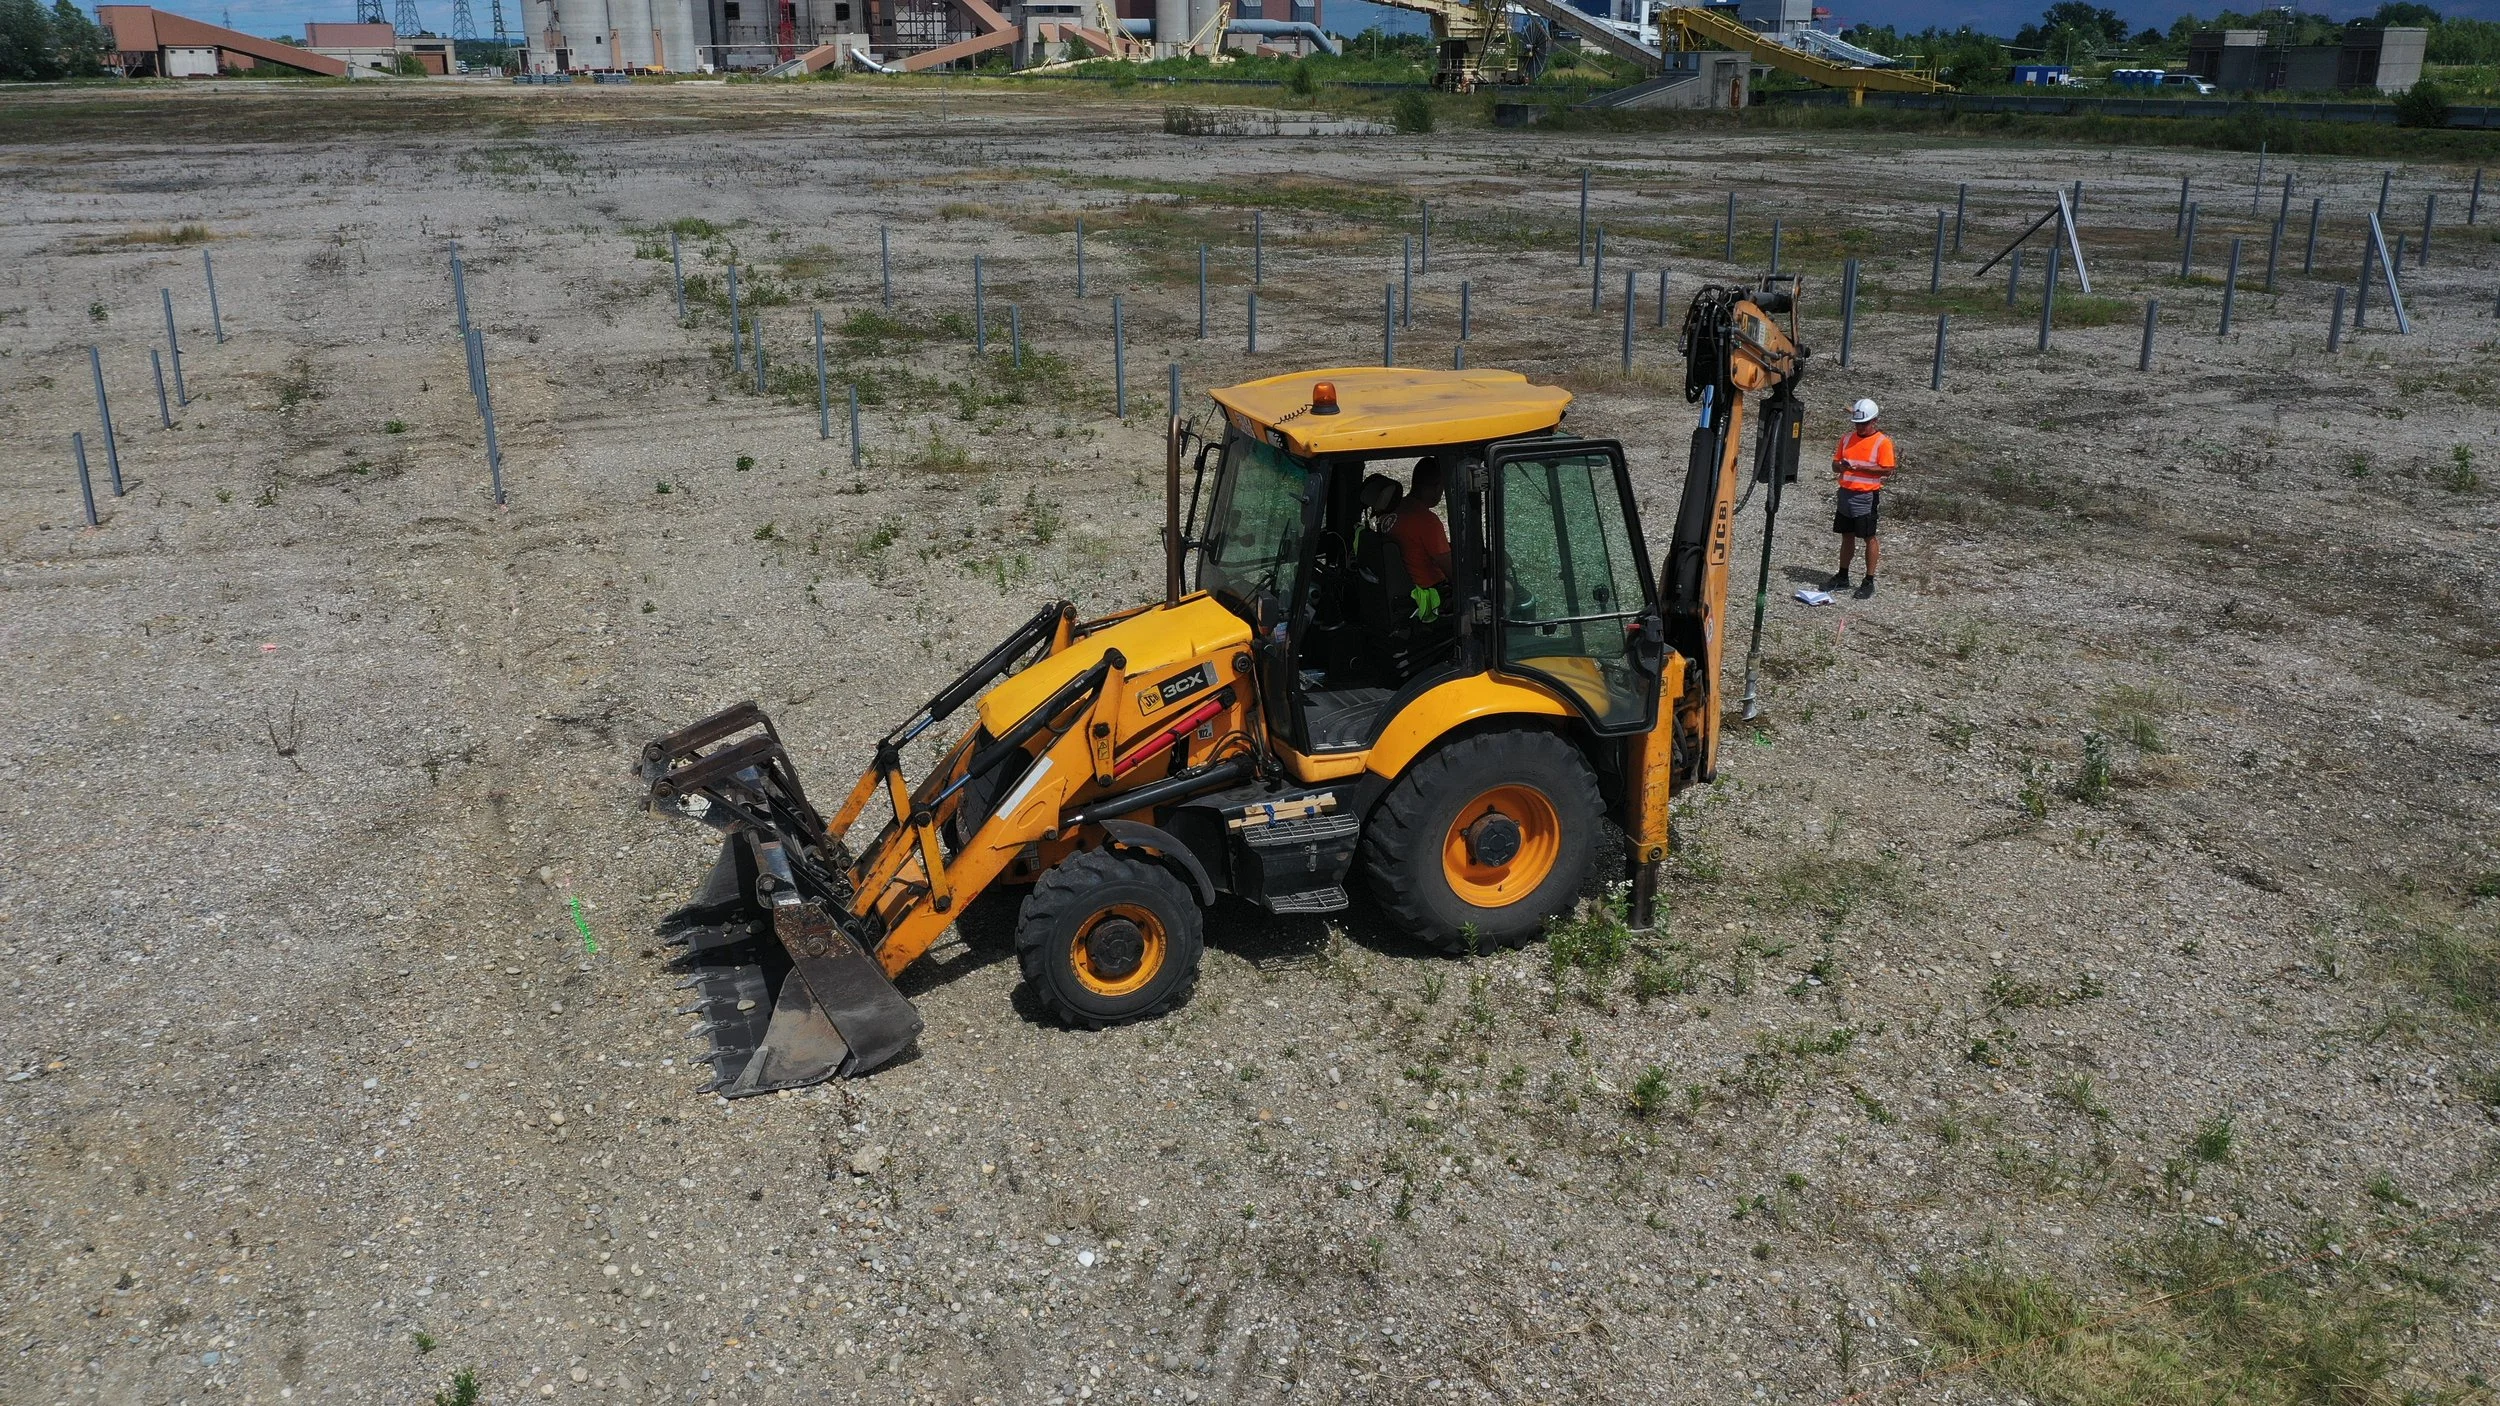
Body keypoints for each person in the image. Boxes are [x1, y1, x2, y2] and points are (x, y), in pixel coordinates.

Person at [1828, 398, 1896, 600]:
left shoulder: (1882, 442)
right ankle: (1843, 575)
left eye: (1864, 423)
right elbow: (1834, 464)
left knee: (1869, 537)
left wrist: (1859, 468)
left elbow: (1887, 469)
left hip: (1866, 495)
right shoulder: (1847, 438)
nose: (1860, 427)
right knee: (1846, 535)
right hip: (1846, 493)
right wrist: (1841, 466)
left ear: (1874, 421)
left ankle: (1868, 580)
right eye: (1857, 423)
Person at [1388, 456, 1451, 591]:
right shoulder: (1427, 521)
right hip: (1431, 595)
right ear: (1438, 487)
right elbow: (1453, 572)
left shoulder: (1395, 510)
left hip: (1407, 590)